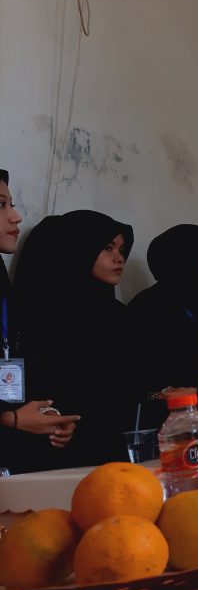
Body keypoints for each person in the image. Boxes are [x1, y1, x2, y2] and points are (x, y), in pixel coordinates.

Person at [16, 210, 138, 471]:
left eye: (121, 250)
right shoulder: (41, 313)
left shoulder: (119, 316)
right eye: (107, 248)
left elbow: (130, 386)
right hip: (57, 453)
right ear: (78, 250)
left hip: (115, 450)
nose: (119, 258)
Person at [0, 177, 79, 473]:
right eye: (1, 205)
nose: (16, 216)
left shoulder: (5, 286)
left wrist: (49, 415)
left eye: (12, 204)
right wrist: (10, 419)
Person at [128, 224, 198, 403]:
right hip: (174, 409)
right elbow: (141, 390)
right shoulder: (148, 308)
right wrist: (163, 395)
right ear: (191, 261)